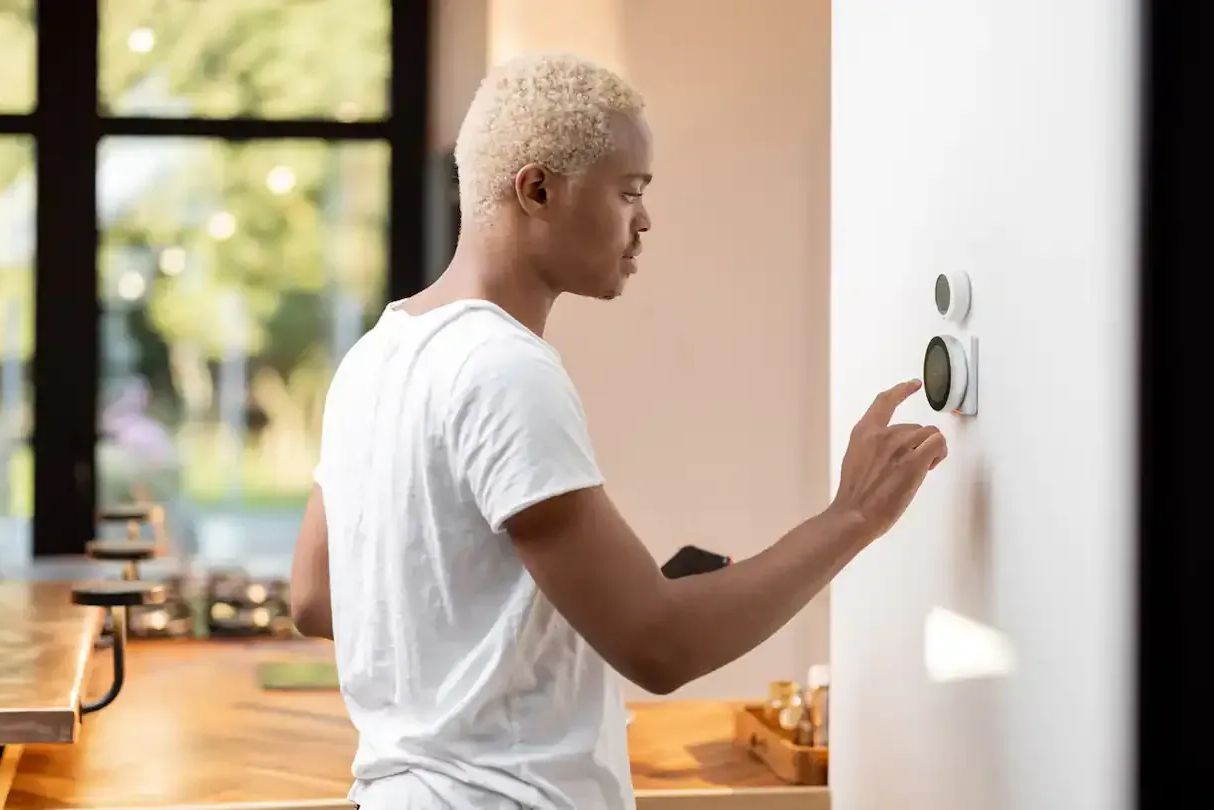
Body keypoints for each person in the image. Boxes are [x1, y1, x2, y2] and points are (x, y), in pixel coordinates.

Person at [289, 52, 947, 809]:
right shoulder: (504, 369)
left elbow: (316, 597)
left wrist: (548, 610)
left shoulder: (378, 354)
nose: (644, 220)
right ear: (537, 189)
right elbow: (660, 646)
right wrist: (852, 517)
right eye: (629, 192)